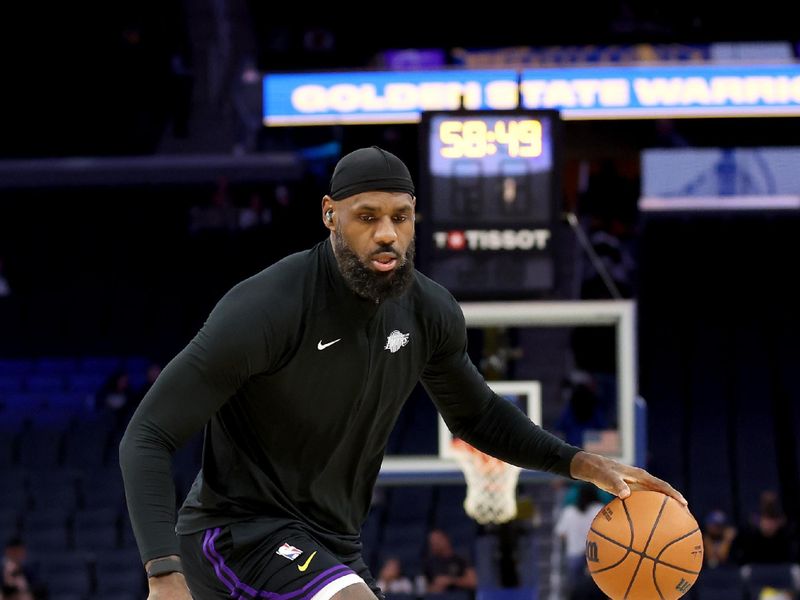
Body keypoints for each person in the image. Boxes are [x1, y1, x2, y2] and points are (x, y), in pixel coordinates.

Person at [119, 146, 687, 600]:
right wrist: (164, 575)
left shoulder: (429, 311)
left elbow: (480, 416)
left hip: (335, 542)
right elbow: (147, 435)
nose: (387, 233)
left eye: (400, 217)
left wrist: (582, 463)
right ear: (329, 216)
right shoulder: (267, 307)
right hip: (240, 532)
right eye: (367, 218)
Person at [422, 529, 476, 594]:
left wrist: (450, 580)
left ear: (445, 539)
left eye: (437, 540)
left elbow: (473, 582)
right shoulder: (430, 564)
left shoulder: (461, 559)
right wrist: (436, 587)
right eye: (432, 542)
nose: (434, 544)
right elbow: (425, 591)